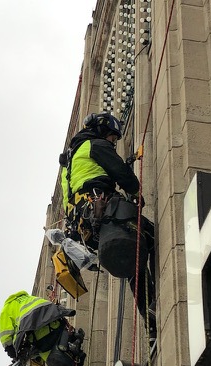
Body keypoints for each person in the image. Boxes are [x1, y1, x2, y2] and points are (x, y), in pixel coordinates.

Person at [60, 112, 157, 341]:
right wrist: (136, 192)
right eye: (113, 138)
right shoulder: (95, 145)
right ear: (103, 131)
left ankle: (150, 321)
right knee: (150, 237)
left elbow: (68, 202)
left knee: (133, 261)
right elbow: (120, 172)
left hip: (88, 225)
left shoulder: (69, 166)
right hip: (104, 210)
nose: (114, 143)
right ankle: (153, 309)